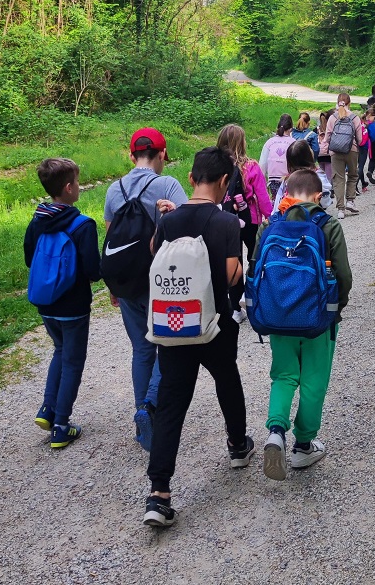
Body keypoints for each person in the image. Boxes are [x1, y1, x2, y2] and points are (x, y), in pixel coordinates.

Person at [144, 146, 254, 528]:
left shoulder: (169, 221)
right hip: (214, 326)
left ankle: (159, 494)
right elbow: (231, 276)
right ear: (224, 181)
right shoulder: (226, 223)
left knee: (172, 403)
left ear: (190, 179)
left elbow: (155, 256)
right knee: (227, 381)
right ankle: (237, 445)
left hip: (175, 327)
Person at [259, 168, 352, 481]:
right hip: (317, 319)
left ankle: (275, 432)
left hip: (278, 316)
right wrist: (338, 308)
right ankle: (302, 445)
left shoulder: (271, 225)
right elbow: (343, 274)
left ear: (286, 193)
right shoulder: (328, 225)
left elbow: (257, 268)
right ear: (318, 196)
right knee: (314, 380)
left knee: (284, 375)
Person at [104, 128, 188, 451]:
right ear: (163, 154)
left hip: (127, 283)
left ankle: (143, 425)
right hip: (161, 282)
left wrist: (113, 286)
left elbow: (111, 241)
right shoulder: (167, 185)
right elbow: (187, 231)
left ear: (131, 156)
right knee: (168, 345)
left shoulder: (114, 189)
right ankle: (150, 407)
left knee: (141, 349)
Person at [24, 158, 100, 448]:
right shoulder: (82, 225)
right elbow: (93, 270)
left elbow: (30, 259)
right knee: (73, 361)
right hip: (73, 307)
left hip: (46, 305)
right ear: (68, 188)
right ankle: (61, 425)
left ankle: (48, 408)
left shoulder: (38, 220)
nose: (79, 187)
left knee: (59, 351)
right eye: (77, 182)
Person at [217, 124, 272, 324]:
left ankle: (235, 308)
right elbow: (263, 197)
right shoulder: (251, 166)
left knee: (233, 260)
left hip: (226, 220)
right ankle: (250, 295)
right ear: (241, 143)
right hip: (250, 220)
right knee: (254, 257)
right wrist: (271, 217)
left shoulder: (217, 168)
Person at [323, 94, 363, 219]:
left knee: (338, 179)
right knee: (352, 175)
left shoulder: (332, 118)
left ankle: (341, 209)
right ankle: (350, 201)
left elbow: (327, 138)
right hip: (351, 150)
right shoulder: (354, 118)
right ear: (349, 103)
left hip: (335, 152)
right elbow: (360, 139)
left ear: (337, 102)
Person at [272, 140, 333, 212]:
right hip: (313, 216)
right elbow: (326, 202)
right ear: (308, 155)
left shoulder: (287, 181)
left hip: (290, 217)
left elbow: (277, 205)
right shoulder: (317, 177)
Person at [259, 114, 295, 201]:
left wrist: (262, 182)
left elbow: (262, 164)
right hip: (288, 179)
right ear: (291, 128)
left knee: (276, 201)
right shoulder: (293, 143)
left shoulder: (269, 142)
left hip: (272, 179)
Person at [317, 109, 335, 188]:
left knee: (321, 174)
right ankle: (330, 189)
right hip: (328, 155)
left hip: (319, 155)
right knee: (329, 175)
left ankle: (322, 188)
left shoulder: (316, 129)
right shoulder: (331, 129)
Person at [356, 114, 370, 194]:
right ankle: (355, 186)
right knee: (360, 167)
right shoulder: (364, 127)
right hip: (363, 148)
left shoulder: (355, 126)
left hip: (355, 148)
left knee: (358, 167)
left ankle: (363, 183)